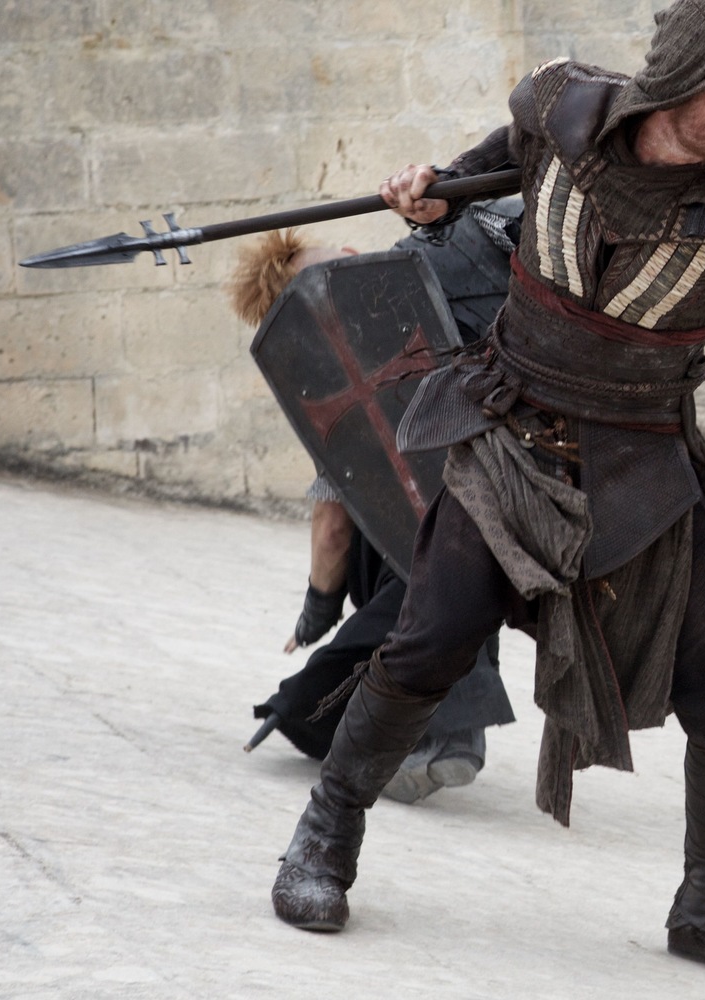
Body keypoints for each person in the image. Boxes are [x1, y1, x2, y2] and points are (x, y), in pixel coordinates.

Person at [268, 1, 705, 993]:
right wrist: (438, 193)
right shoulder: (560, 108)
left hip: (645, 473)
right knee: (427, 646)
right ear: (678, 84)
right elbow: (495, 160)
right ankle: (323, 840)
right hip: (507, 437)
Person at [229, 205, 525, 802]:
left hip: (492, 489)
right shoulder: (453, 246)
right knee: (430, 552)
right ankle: (445, 735)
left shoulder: (340, 366)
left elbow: (333, 526)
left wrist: (318, 605)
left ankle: (404, 727)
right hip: (520, 472)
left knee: (403, 553)